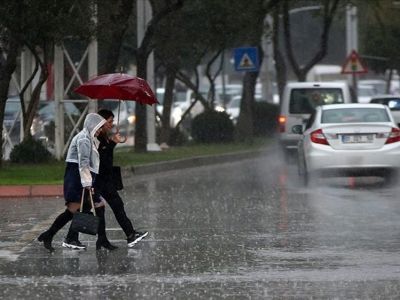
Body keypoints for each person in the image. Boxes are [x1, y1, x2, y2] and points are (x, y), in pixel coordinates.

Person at [38, 113, 106, 252]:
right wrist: (88, 184)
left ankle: (64, 237)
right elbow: (83, 163)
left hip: (80, 177)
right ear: (92, 125)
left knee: (80, 208)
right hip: (77, 178)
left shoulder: (89, 138)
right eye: (99, 127)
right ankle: (56, 236)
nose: (100, 130)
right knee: (74, 209)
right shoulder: (84, 139)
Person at [94, 108, 148, 248]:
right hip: (99, 180)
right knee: (111, 207)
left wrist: (112, 141)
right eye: (110, 121)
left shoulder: (104, 135)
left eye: (112, 121)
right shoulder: (97, 137)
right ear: (102, 121)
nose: (112, 124)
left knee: (106, 209)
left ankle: (103, 239)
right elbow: (101, 158)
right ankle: (130, 234)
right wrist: (112, 143)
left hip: (104, 179)